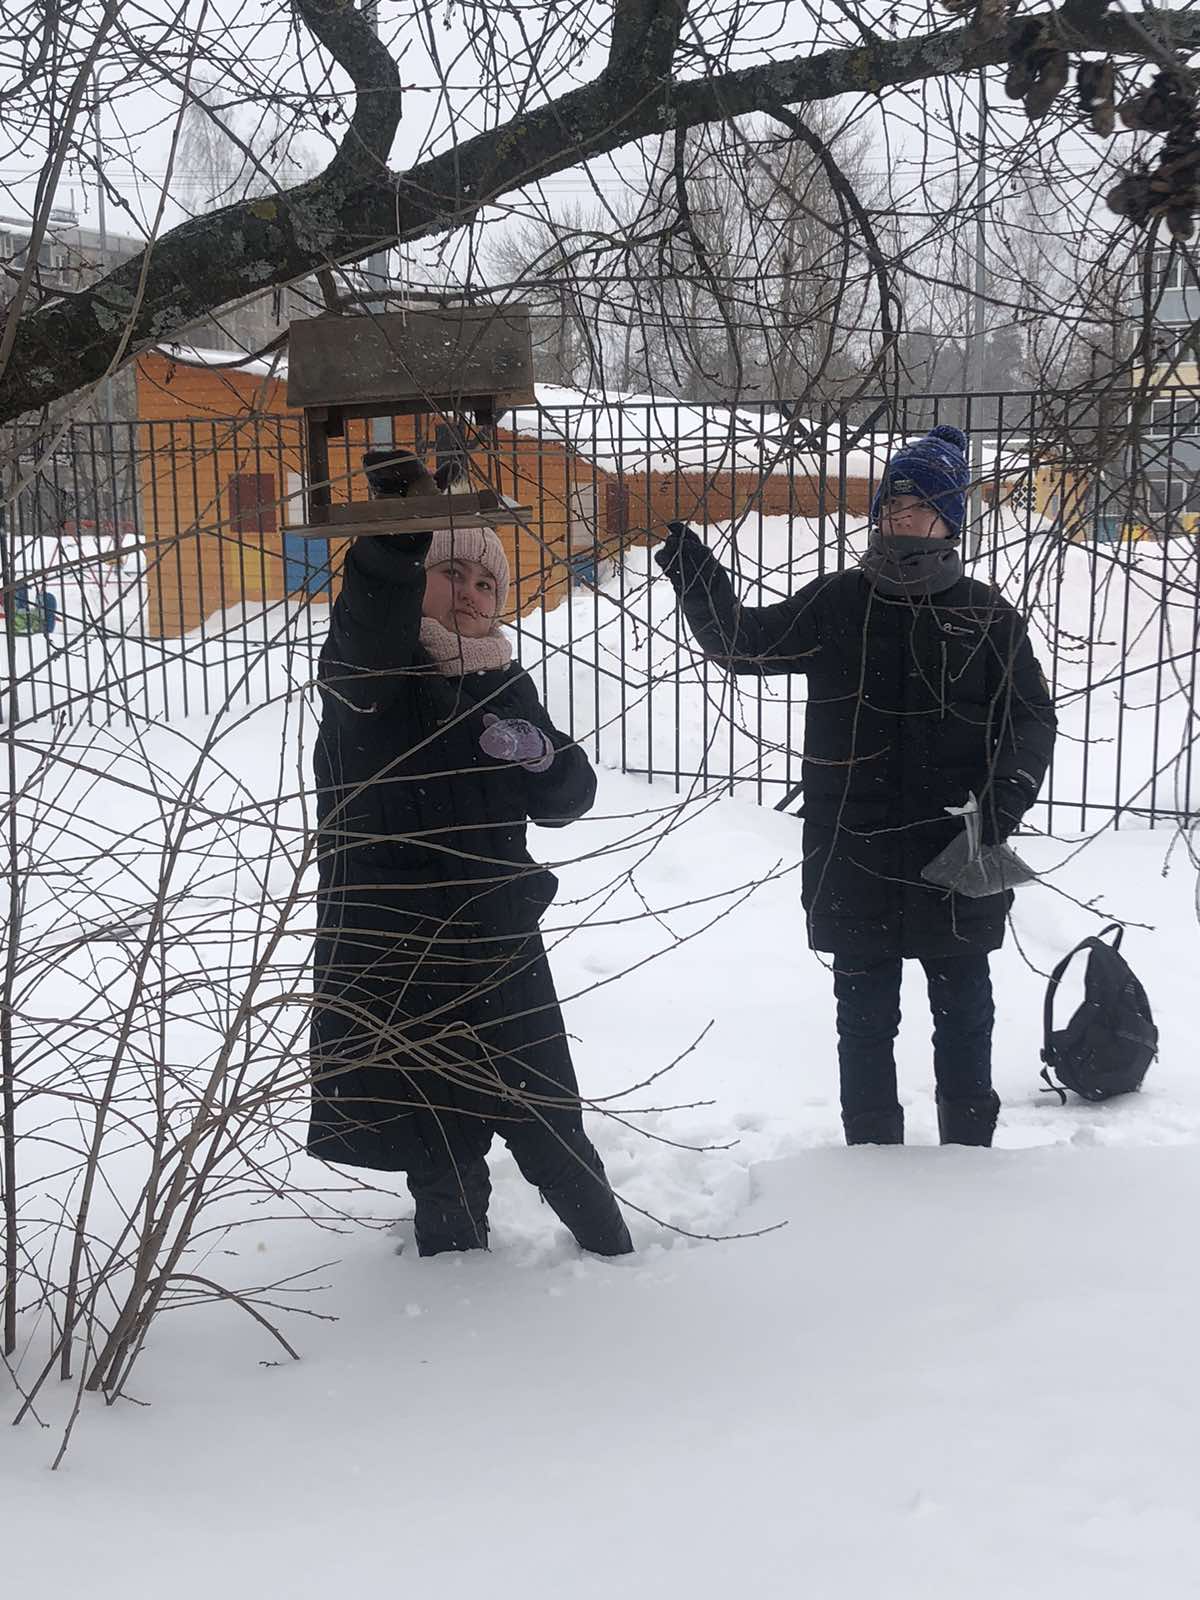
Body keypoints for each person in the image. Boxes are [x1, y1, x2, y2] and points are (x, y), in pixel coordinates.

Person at [656, 424, 1057, 1148]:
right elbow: (740, 644)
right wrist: (696, 575)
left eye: (918, 503)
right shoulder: (840, 603)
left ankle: (972, 1158)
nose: (899, 515)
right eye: (891, 501)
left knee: (965, 1010)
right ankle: (869, 1165)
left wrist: (1002, 804)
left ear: (949, 519)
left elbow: (1030, 721)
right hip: (856, 851)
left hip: (960, 847)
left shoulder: (985, 615)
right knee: (864, 1018)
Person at [308, 448, 633, 1256]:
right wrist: (396, 538)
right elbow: (368, 626)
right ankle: (455, 1295)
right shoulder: (372, 684)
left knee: (551, 1119)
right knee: (440, 1139)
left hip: (500, 941)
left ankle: (620, 1260)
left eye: (487, 583)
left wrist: (543, 757)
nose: (473, 593)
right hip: (406, 952)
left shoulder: (504, 684)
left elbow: (569, 799)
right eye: (452, 572)